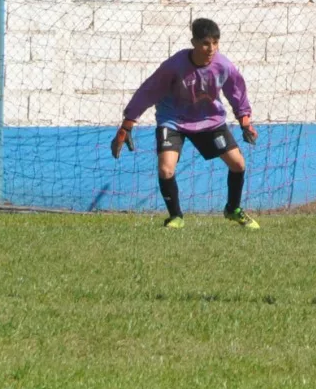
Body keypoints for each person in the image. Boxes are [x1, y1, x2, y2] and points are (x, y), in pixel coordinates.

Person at [111, 18, 259, 230]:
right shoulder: (175, 65)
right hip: (173, 120)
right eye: (206, 43)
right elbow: (149, 91)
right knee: (166, 169)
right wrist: (127, 125)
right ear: (194, 42)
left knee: (238, 165)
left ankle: (233, 209)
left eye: (215, 43)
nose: (211, 49)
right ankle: (176, 217)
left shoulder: (224, 65)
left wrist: (245, 121)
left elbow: (236, 91)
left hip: (209, 121)